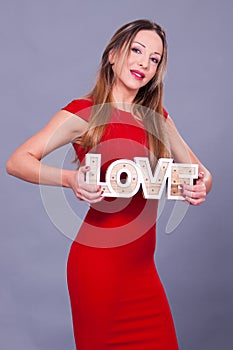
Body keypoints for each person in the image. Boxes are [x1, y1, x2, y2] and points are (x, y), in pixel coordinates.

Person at [6, 19, 212, 350]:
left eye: (155, 59)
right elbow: (17, 161)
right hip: (97, 270)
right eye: (137, 50)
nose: (145, 63)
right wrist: (70, 179)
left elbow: (202, 173)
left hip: (143, 272)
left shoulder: (157, 118)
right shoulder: (84, 112)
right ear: (114, 55)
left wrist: (200, 186)